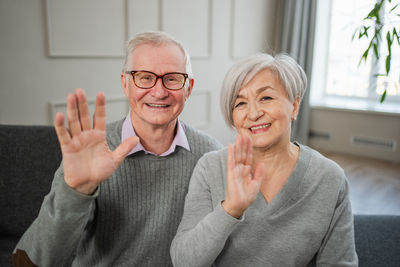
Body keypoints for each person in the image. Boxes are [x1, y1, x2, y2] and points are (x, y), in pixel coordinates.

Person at [13, 31, 222, 266]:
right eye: (144, 77)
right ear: (125, 83)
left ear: (189, 87)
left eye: (172, 78)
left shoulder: (211, 155)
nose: (159, 91)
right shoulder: (92, 153)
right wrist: (76, 191)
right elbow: (32, 261)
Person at [170, 53, 358, 266]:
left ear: (294, 106)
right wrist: (230, 209)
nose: (253, 113)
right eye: (240, 103)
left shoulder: (329, 178)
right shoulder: (210, 168)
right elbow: (183, 261)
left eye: (266, 98)